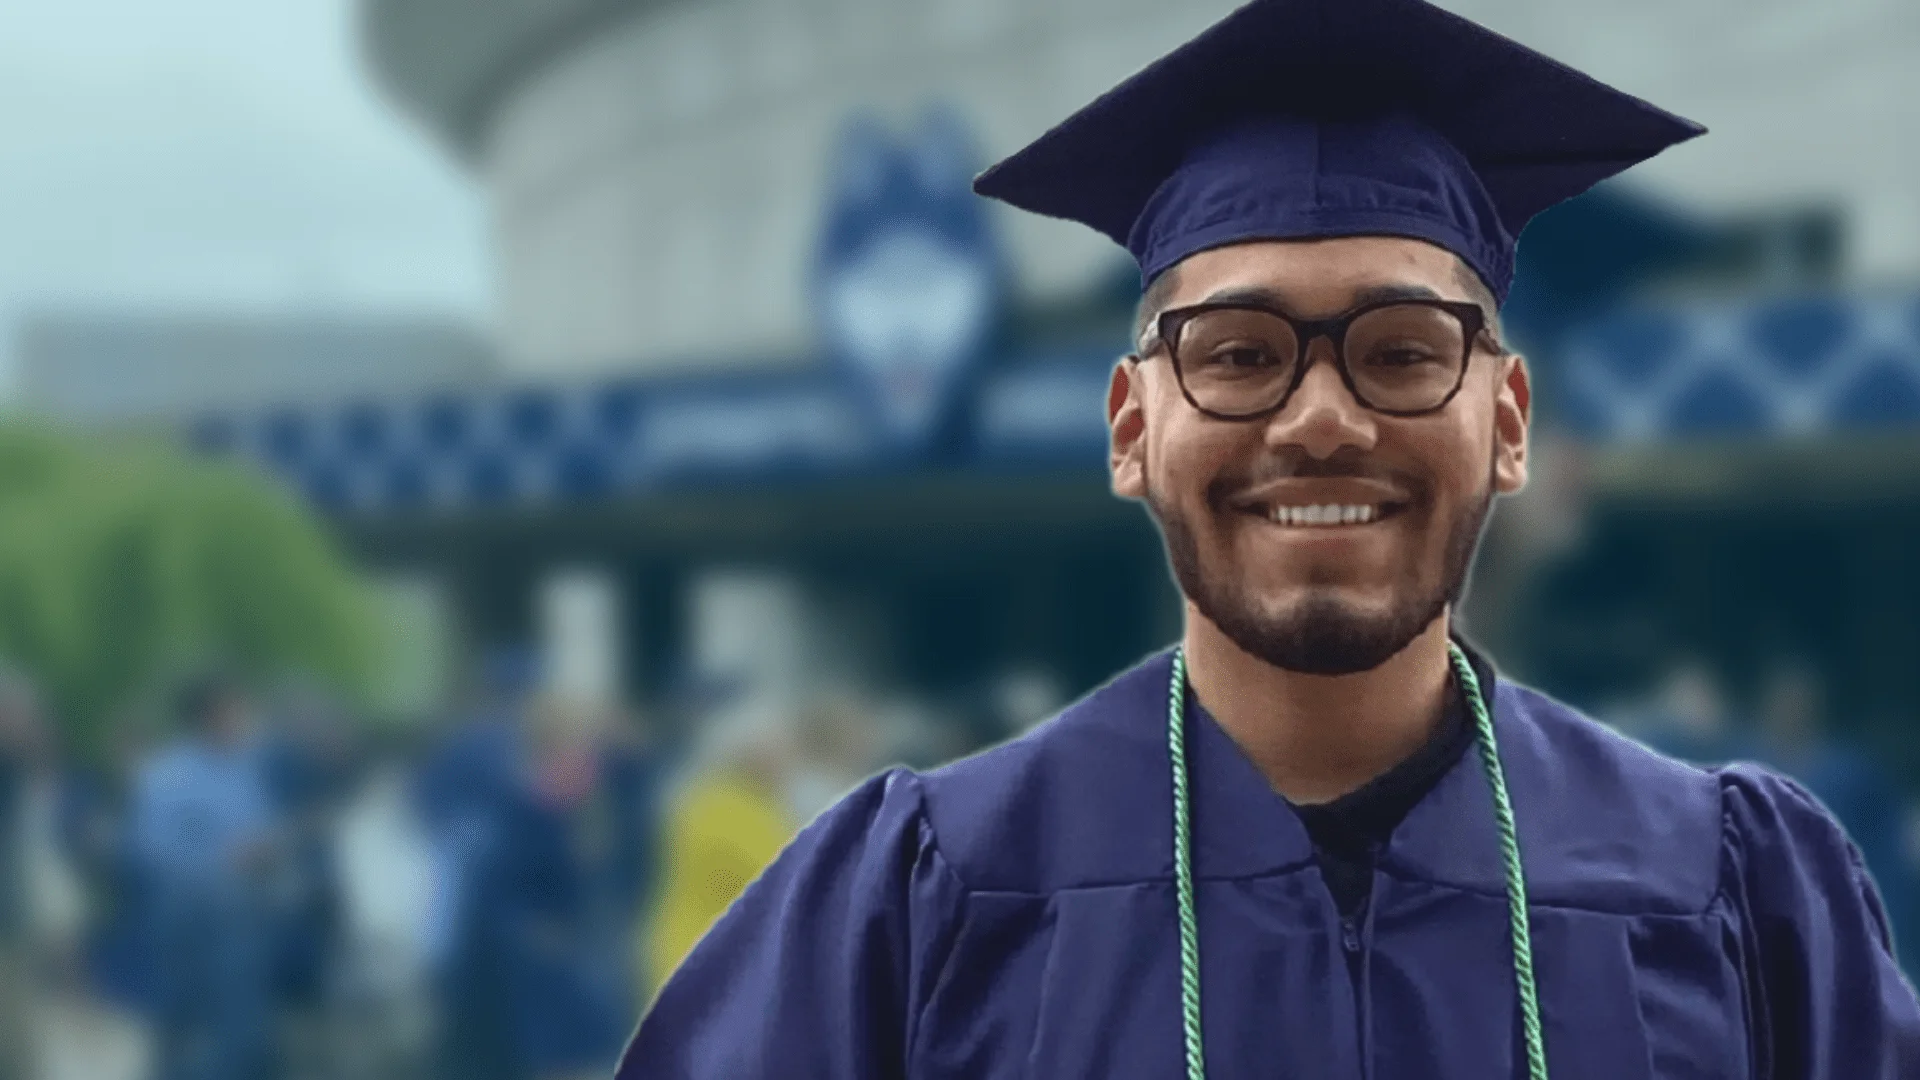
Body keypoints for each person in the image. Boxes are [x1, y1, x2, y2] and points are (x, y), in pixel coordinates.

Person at [619, 0, 1920, 1074]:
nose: (1321, 419)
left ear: (1509, 423)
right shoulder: (913, 905)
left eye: (1403, 352)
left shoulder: (1737, 895)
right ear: (1131, 428)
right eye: (1236, 353)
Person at [131, 671, 282, 1080]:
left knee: (245, 1034)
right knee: (190, 1038)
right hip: (191, 925)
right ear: (208, 716)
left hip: (247, 921)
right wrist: (224, 860)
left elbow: (260, 831)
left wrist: (266, 852)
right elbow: (152, 850)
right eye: (236, 709)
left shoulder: (246, 770)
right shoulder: (167, 775)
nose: (245, 718)